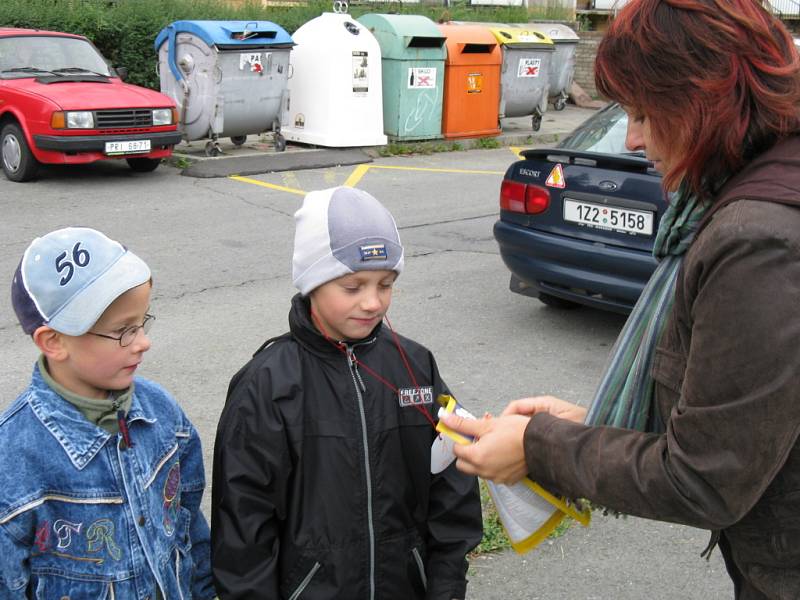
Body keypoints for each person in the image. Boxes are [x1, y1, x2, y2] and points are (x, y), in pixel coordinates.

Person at [441, 1, 800, 598]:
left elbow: (706, 477)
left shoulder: (760, 240)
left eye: (642, 112)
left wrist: (540, 447)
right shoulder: (755, 191)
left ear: (703, 101)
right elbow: (743, 416)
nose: (631, 138)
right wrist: (596, 424)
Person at [211, 186, 482, 600]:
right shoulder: (267, 384)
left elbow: (452, 485)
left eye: (386, 284)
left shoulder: (415, 365)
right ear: (312, 284)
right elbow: (243, 529)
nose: (373, 303)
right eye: (353, 287)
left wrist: (444, 587)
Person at [0, 227, 214, 599]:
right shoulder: (14, 460)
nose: (144, 342)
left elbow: (188, 522)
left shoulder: (163, 413)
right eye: (123, 332)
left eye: (142, 323)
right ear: (54, 341)